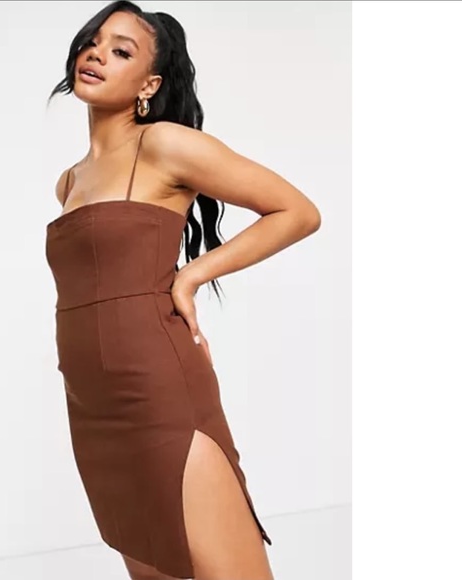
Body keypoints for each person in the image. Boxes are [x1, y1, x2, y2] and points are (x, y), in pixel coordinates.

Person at [45, 2, 321, 579]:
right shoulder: (69, 181)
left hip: (157, 385)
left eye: (121, 50)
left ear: (149, 85)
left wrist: (191, 275)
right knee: (155, 566)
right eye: (93, 41)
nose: (96, 54)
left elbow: (297, 211)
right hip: (90, 401)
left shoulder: (164, 144)